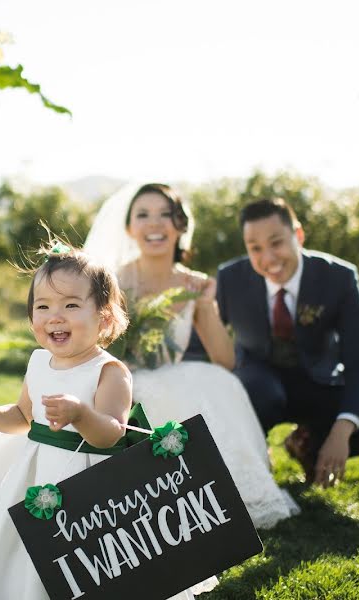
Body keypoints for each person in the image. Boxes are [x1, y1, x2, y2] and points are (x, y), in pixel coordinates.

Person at [0, 242, 206, 600]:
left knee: (89, 563)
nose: (55, 316)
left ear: (104, 317)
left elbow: (112, 434)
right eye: (43, 306)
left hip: (91, 489)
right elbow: (22, 417)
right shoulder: (38, 362)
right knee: (27, 553)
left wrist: (81, 414)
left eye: (70, 305)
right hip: (37, 480)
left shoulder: (109, 372)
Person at [83, 182, 299, 530]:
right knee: (155, 393)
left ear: (181, 225)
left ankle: (219, 494)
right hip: (119, 376)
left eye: (165, 215)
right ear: (129, 229)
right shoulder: (112, 281)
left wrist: (206, 306)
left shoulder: (195, 285)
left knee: (220, 382)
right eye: (143, 215)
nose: (155, 224)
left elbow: (225, 360)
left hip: (170, 371)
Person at [215, 197, 359, 488]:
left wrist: (341, 432)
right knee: (260, 392)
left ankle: (307, 444)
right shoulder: (229, 279)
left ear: (298, 235)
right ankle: (251, 458)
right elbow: (209, 339)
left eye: (276, 242)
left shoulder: (339, 277)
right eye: (255, 248)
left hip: (319, 382)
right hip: (259, 384)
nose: (268, 258)